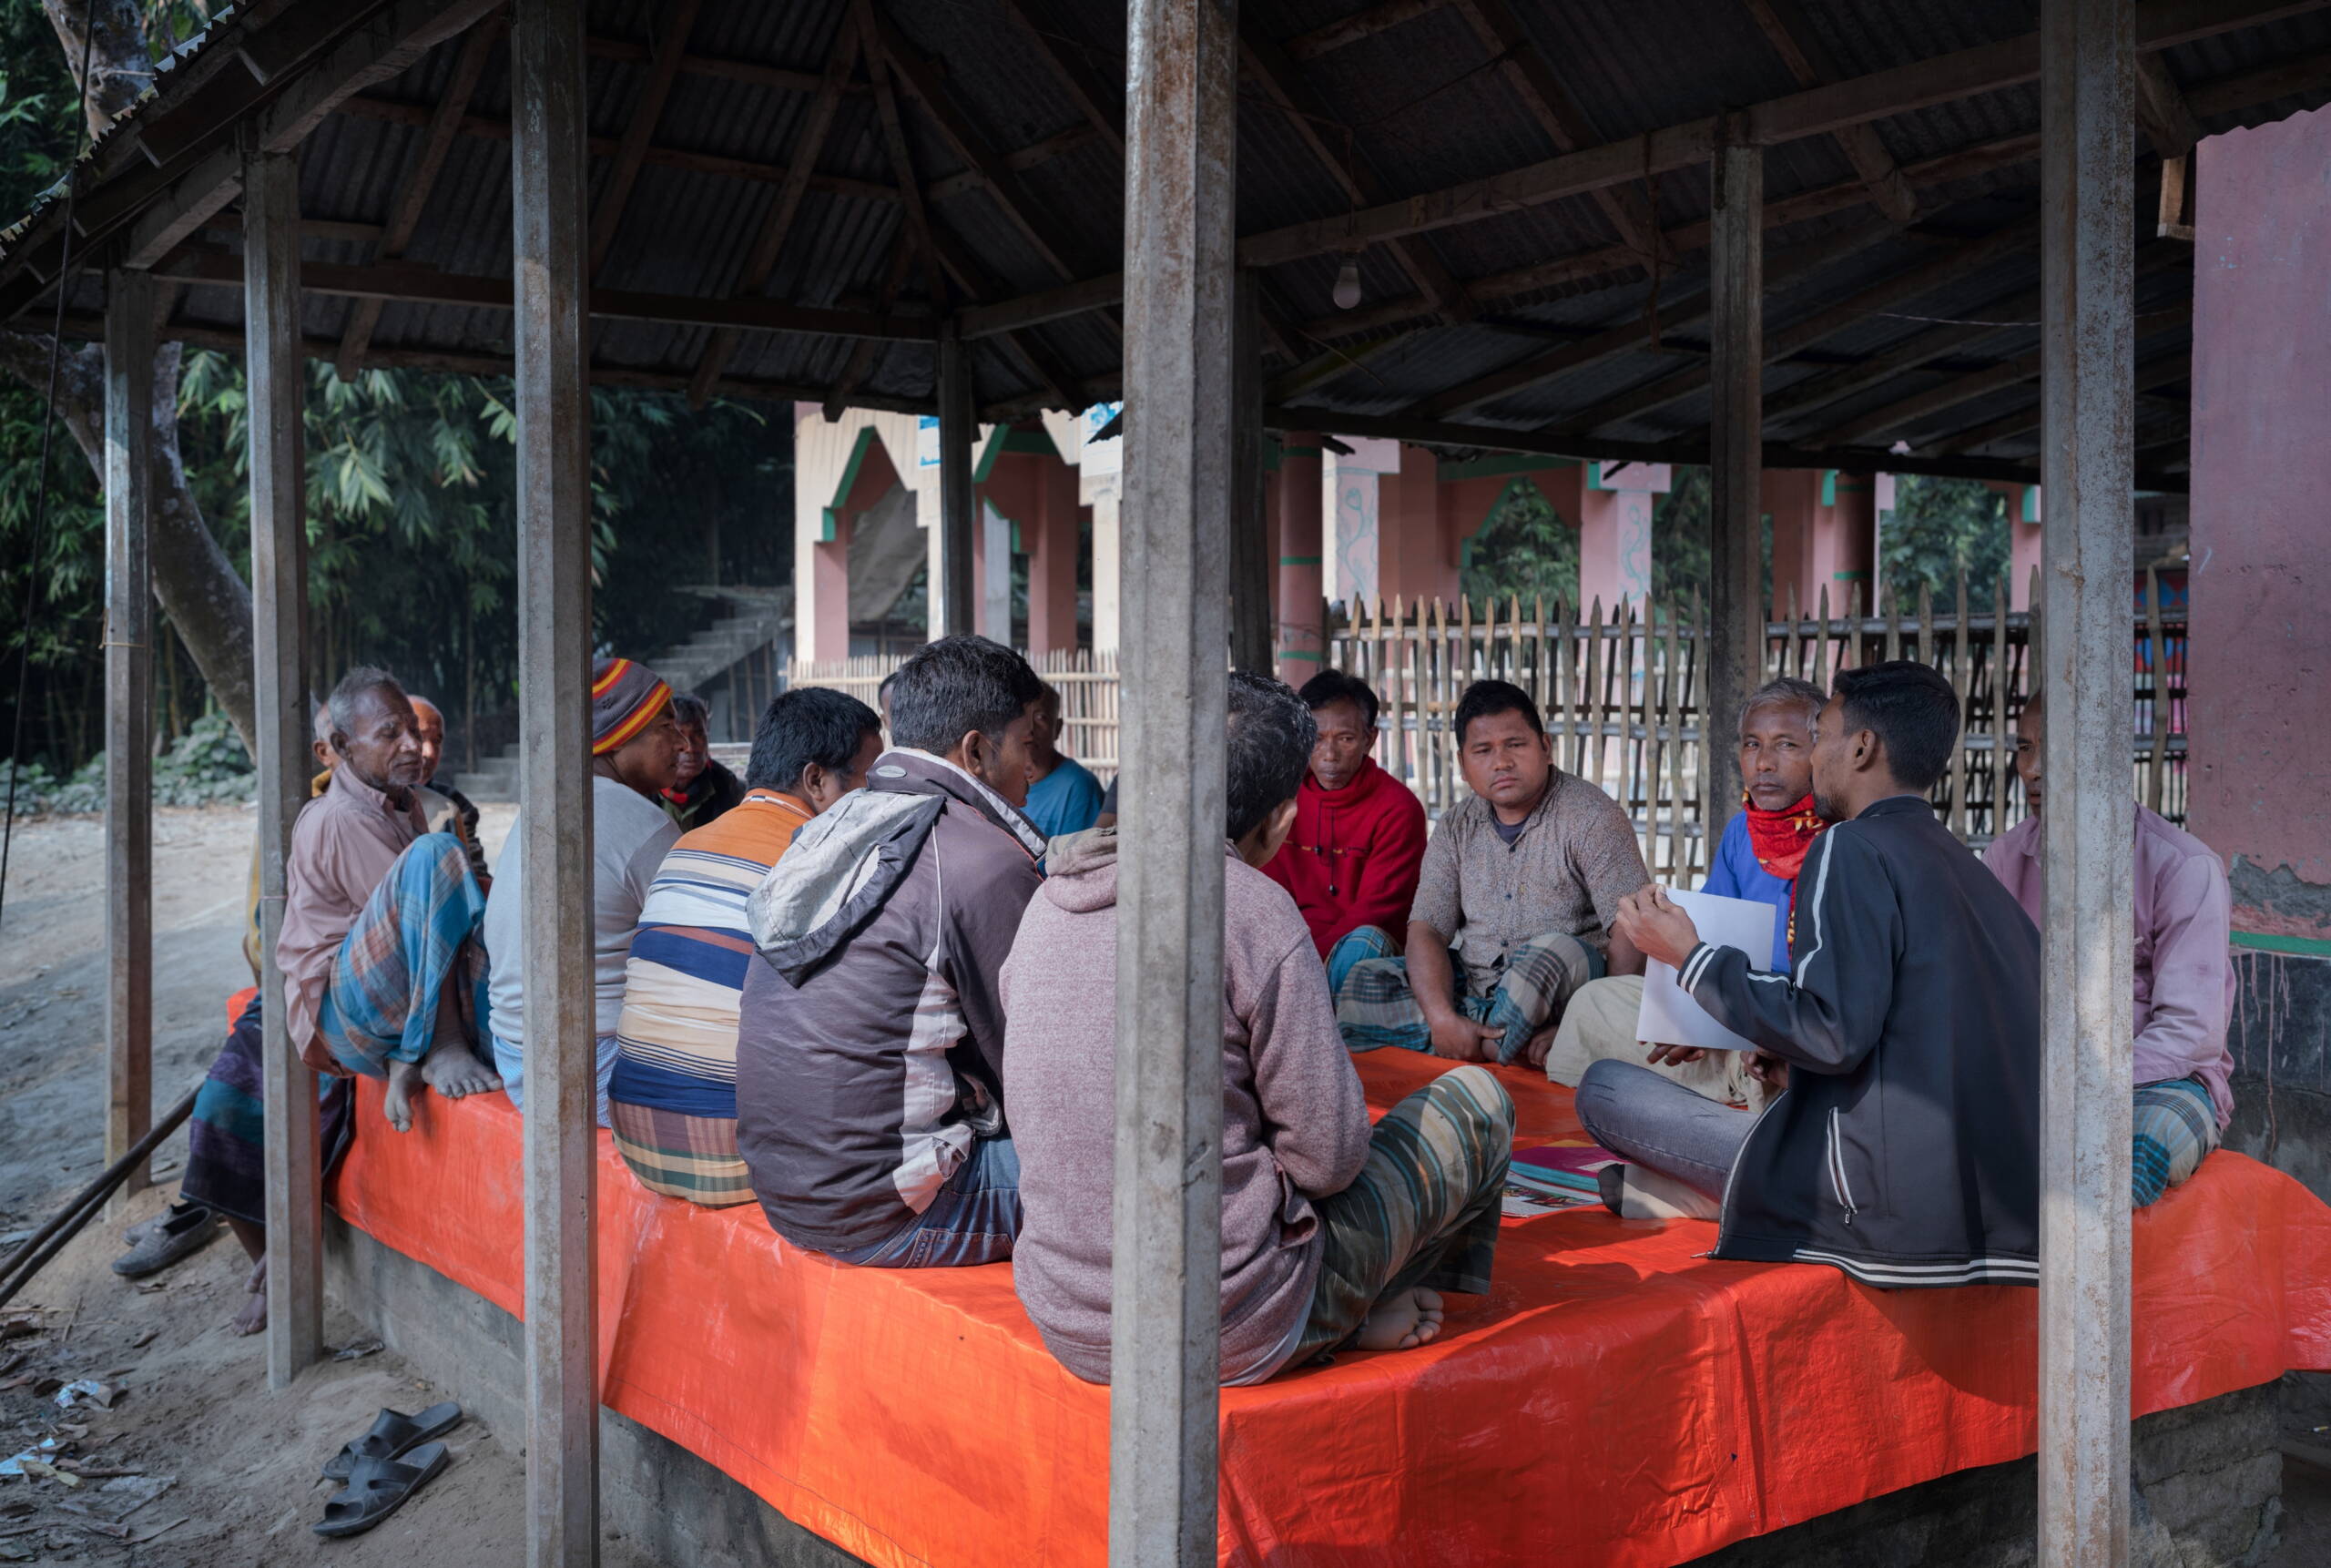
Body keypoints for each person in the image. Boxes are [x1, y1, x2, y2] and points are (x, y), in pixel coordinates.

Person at [1006, 671, 1516, 1383]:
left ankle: (1354, 1303)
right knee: (1479, 1102)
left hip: (1069, 1317)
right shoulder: (1252, 909)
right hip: (1233, 1323)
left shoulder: (1045, 903)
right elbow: (1327, 1160)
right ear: (1281, 821)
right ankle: (1361, 1300)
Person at [1582, 661, 2043, 1287]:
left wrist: (1688, 956)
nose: (1809, 756)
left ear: (1862, 747)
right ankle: (1719, 1190)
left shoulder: (1848, 846)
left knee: (1606, 1090)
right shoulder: (1968, 869)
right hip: (1996, 1208)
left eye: (1818, 736)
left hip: (1886, 1209)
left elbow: (1829, 1033)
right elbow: (1893, 1027)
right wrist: (1789, 1056)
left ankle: (1748, 1197)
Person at [179, 669, 502, 1330]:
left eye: (416, 732)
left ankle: (418, 1052)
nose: (412, 746)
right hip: (346, 1013)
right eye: (390, 734)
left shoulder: (404, 802)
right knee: (437, 860)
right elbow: (422, 928)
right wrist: (444, 1036)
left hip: (377, 1000)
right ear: (341, 749)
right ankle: (432, 1048)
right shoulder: (341, 816)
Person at [735, 636, 1047, 1266]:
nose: (1034, 769)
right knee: (1145, 1169)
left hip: (786, 1192)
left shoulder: (832, 825)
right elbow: (1030, 1069)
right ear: (976, 751)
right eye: (1026, 743)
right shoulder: (981, 858)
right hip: (894, 1211)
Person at [608, 687, 884, 1206]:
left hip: (638, 1137)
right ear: (817, 781)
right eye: (870, 783)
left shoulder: (684, 845)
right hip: (739, 1155)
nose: (879, 800)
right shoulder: (823, 862)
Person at [1983, 689, 2235, 1207]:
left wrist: (2082, 1084)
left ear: (2109, 755)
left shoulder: (2184, 868)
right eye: (2025, 748)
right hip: (2032, 1075)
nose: (2033, 770)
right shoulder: (2005, 860)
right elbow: (1986, 993)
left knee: (2135, 1149)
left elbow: (2189, 1032)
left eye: (2054, 749)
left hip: (2158, 1082)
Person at [1538, 677, 1831, 1102]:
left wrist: (1737, 1019)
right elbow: (1711, 936)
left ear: (1821, 753)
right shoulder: (1742, 831)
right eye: (1752, 744)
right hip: (1728, 1000)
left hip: (1789, 1020)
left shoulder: (1841, 839)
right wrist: (1692, 1018)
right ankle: (1725, 1076)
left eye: (1786, 745)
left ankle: (1739, 1082)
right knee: (1594, 1002)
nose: (1764, 763)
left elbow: (1828, 1000)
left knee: (1774, 1060)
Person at [1334, 679, 1647, 1062]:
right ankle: (1492, 1041)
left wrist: (1588, 1022)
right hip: (1476, 984)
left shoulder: (1592, 816)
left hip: (1564, 991)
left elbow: (1633, 928)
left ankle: (1486, 1041)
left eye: (1515, 745)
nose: (1501, 762)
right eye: (1483, 750)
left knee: (1554, 952)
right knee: (1366, 981)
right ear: (1463, 765)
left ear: (1545, 747)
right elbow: (1428, 928)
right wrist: (1441, 1018)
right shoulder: (1456, 826)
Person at [482, 657, 684, 1125]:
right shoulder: (640, 821)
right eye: (666, 727)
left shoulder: (545, 803)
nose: (682, 742)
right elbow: (704, 942)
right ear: (620, 734)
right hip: (595, 1068)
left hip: (516, 1060)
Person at [1261, 669, 1428, 993]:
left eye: (1346, 739)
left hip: (1360, 951)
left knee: (1361, 944)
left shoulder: (1398, 809)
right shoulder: (1281, 800)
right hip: (1291, 947)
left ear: (1369, 739)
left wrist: (1307, 963)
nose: (1329, 755)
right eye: (1317, 738)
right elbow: (1269, 895)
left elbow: (1377, 913)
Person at [409, 695, 491, 892]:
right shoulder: (362, 802)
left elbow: (475, 874)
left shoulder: (453, 806)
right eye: (420, 737)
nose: (429, 752)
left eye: (437, 741)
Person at [1017, 682, 1105, 840]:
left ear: (1057, 728)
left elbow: (1077, 852)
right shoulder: (998, 779)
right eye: (1021, 716)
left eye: (1040, 717)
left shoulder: (1077, 786)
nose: (1030, 728)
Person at [659, 692, 746, 830]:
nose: (690, 748)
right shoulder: (644, 789)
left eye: (699, 734)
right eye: (679, 734)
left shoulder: (730, 787)